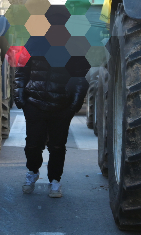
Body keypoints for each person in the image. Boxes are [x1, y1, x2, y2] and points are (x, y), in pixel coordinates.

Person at [14, 57, 88, 198]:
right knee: (33, 145)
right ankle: (32, 171)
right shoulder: (33, 42)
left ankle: (55, 180)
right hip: (35, 103)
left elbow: (80, 78)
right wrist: (20, 98)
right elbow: (21, 71)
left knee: (57, 146)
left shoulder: (74, 46)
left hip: (62, 106)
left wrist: (73, 106)